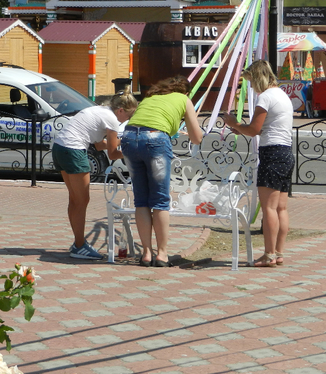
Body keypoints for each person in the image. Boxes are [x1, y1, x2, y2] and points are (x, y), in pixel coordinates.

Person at [121, 76, 203, 267]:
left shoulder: (149, 99)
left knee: (141, 200)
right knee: (159, 200)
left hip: (129, 138)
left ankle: (147, 253)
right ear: (186, 91)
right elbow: (196, 138)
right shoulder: (184, 99)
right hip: (155, 140)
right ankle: (162, 254)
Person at [223, 60, 294, 267]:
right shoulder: (282, 95)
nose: (251, 87)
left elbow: (254, 129)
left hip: (271, 153)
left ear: (257, 78)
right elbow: (264, 128)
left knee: (269, 208)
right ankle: (279, 253)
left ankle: (269, 255)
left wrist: (233, 123)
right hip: (286, 152)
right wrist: (242, 129)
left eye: (251, 82)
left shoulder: (265, 97)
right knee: (281, 208)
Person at [53, 89, 138, 260]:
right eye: (128, 116)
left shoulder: (98, 110)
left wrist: (125, 141)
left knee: (75, 199)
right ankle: (79, 246)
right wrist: (134, 151)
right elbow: (113, 154)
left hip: (59, 147)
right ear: (120, 110)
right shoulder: (112, 120)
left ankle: (78, 242)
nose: (127, 120)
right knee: (82, 201)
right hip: (74, 150)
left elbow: (100, 146)